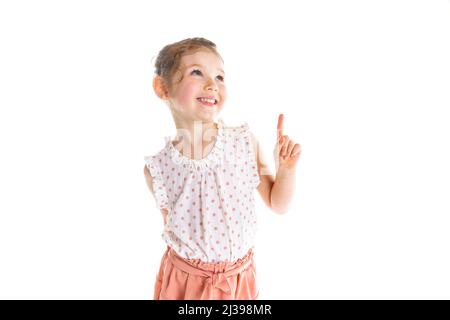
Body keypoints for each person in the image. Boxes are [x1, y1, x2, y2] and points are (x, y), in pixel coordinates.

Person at [143, 37, 301, 300]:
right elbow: (176, 234)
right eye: (197, 72)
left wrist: (286, 170)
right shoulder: (158, 169)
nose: (211, 85)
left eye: (220, 76)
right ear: (162, 87)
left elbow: (278, 203)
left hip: (239, 280)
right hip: (186, 284)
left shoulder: (243, 142)